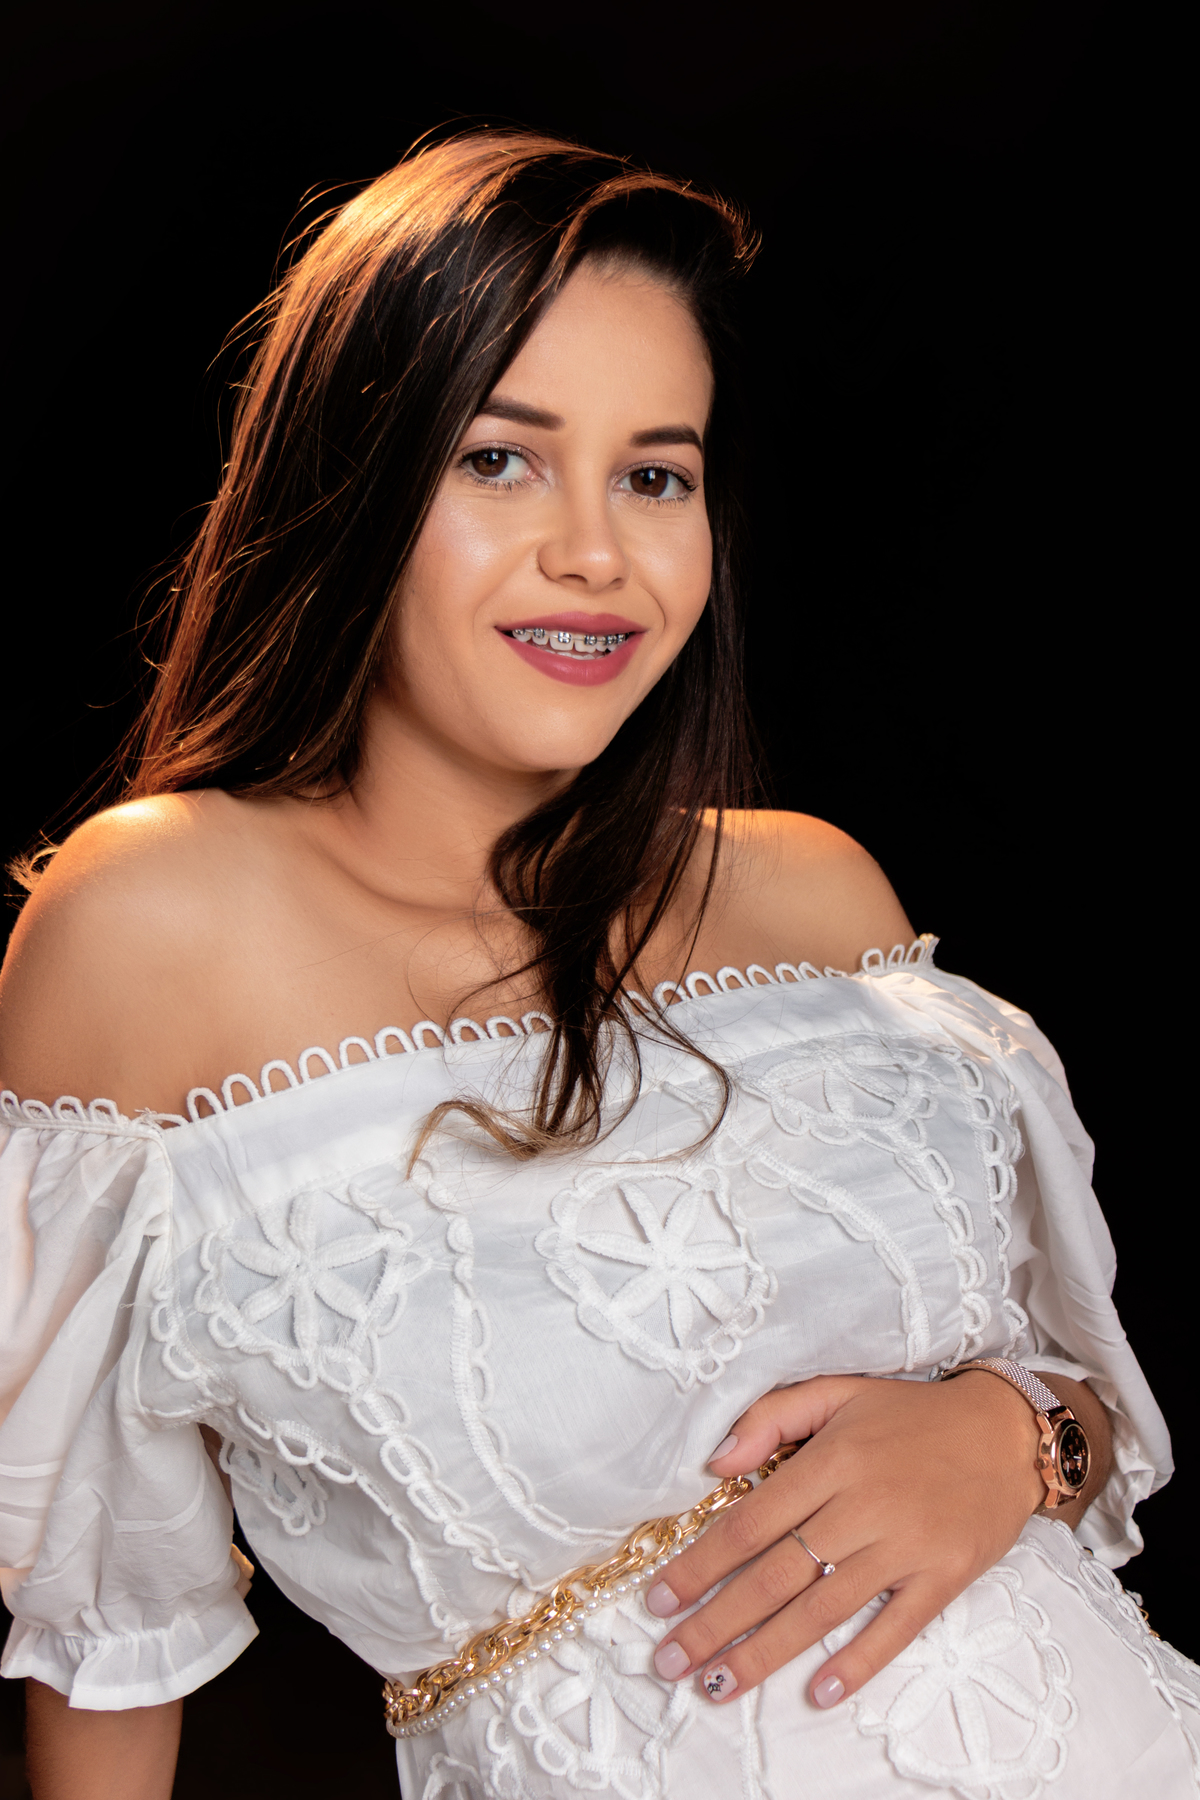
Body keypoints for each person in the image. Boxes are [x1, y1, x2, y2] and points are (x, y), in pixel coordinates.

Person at [0, 130, 1195, 1800]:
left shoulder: (818, 898)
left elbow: (1070, 1389)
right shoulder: (155, 922)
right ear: (351, 482)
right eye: (502, 459)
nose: (595, 553)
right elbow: (103, 1622)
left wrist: (1012, 1437)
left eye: (656, 475)